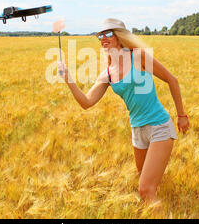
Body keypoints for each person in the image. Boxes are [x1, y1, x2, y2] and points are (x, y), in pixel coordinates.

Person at [57, 18, 189, 204]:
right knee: (145, 184)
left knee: (145, 190)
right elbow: (86, 102)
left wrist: (181, 115)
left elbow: (172, 79)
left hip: (159, 126)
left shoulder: (139, 56)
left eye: (108, 33)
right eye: (100, 35)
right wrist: (68, 79)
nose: (103, 37)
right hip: (137, 131)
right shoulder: (108, 74)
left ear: (119, 37)